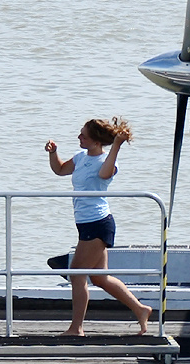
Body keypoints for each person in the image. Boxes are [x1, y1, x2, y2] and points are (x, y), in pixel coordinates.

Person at [44, 118, 153, 336]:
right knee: (99, 278)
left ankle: (77, 328)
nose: (79, 137)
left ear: (95, 141)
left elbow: (104, 174)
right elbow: (60, 170)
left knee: (76, 274)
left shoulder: (106, 161)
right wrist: (53, 152)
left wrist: (116, 147)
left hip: (98, 223)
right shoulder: (80, 157)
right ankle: (141, 309)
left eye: (83, 135)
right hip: (85, 223)